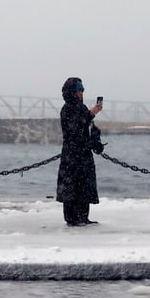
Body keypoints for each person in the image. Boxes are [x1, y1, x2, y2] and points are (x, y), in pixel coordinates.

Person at [56, 77, 104, 226]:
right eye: (79, 90)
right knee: (73, 187)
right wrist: (92, 114)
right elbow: (75, 129)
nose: (81, 93)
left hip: (81, 154)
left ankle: (83, 217)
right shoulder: (69, 108)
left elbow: (82, 125)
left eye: (82, 90)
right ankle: (73, 218)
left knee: (83, 186)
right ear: (72, 91)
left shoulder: (79, 108)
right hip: (74, 154)